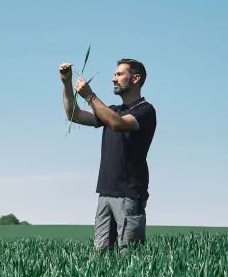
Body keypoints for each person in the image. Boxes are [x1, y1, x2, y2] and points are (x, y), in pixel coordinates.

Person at [59, 58, 157, 251]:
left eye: (119, 74)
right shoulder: (112, 110)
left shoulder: (145, 110)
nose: (114, 79)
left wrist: (90, 96)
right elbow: (73, 115)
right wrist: (66, 83)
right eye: (115, 74)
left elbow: (117, 123)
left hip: (129, 194)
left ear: (135, 78)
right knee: (101, 256)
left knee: (129, 255)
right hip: (105, 192)